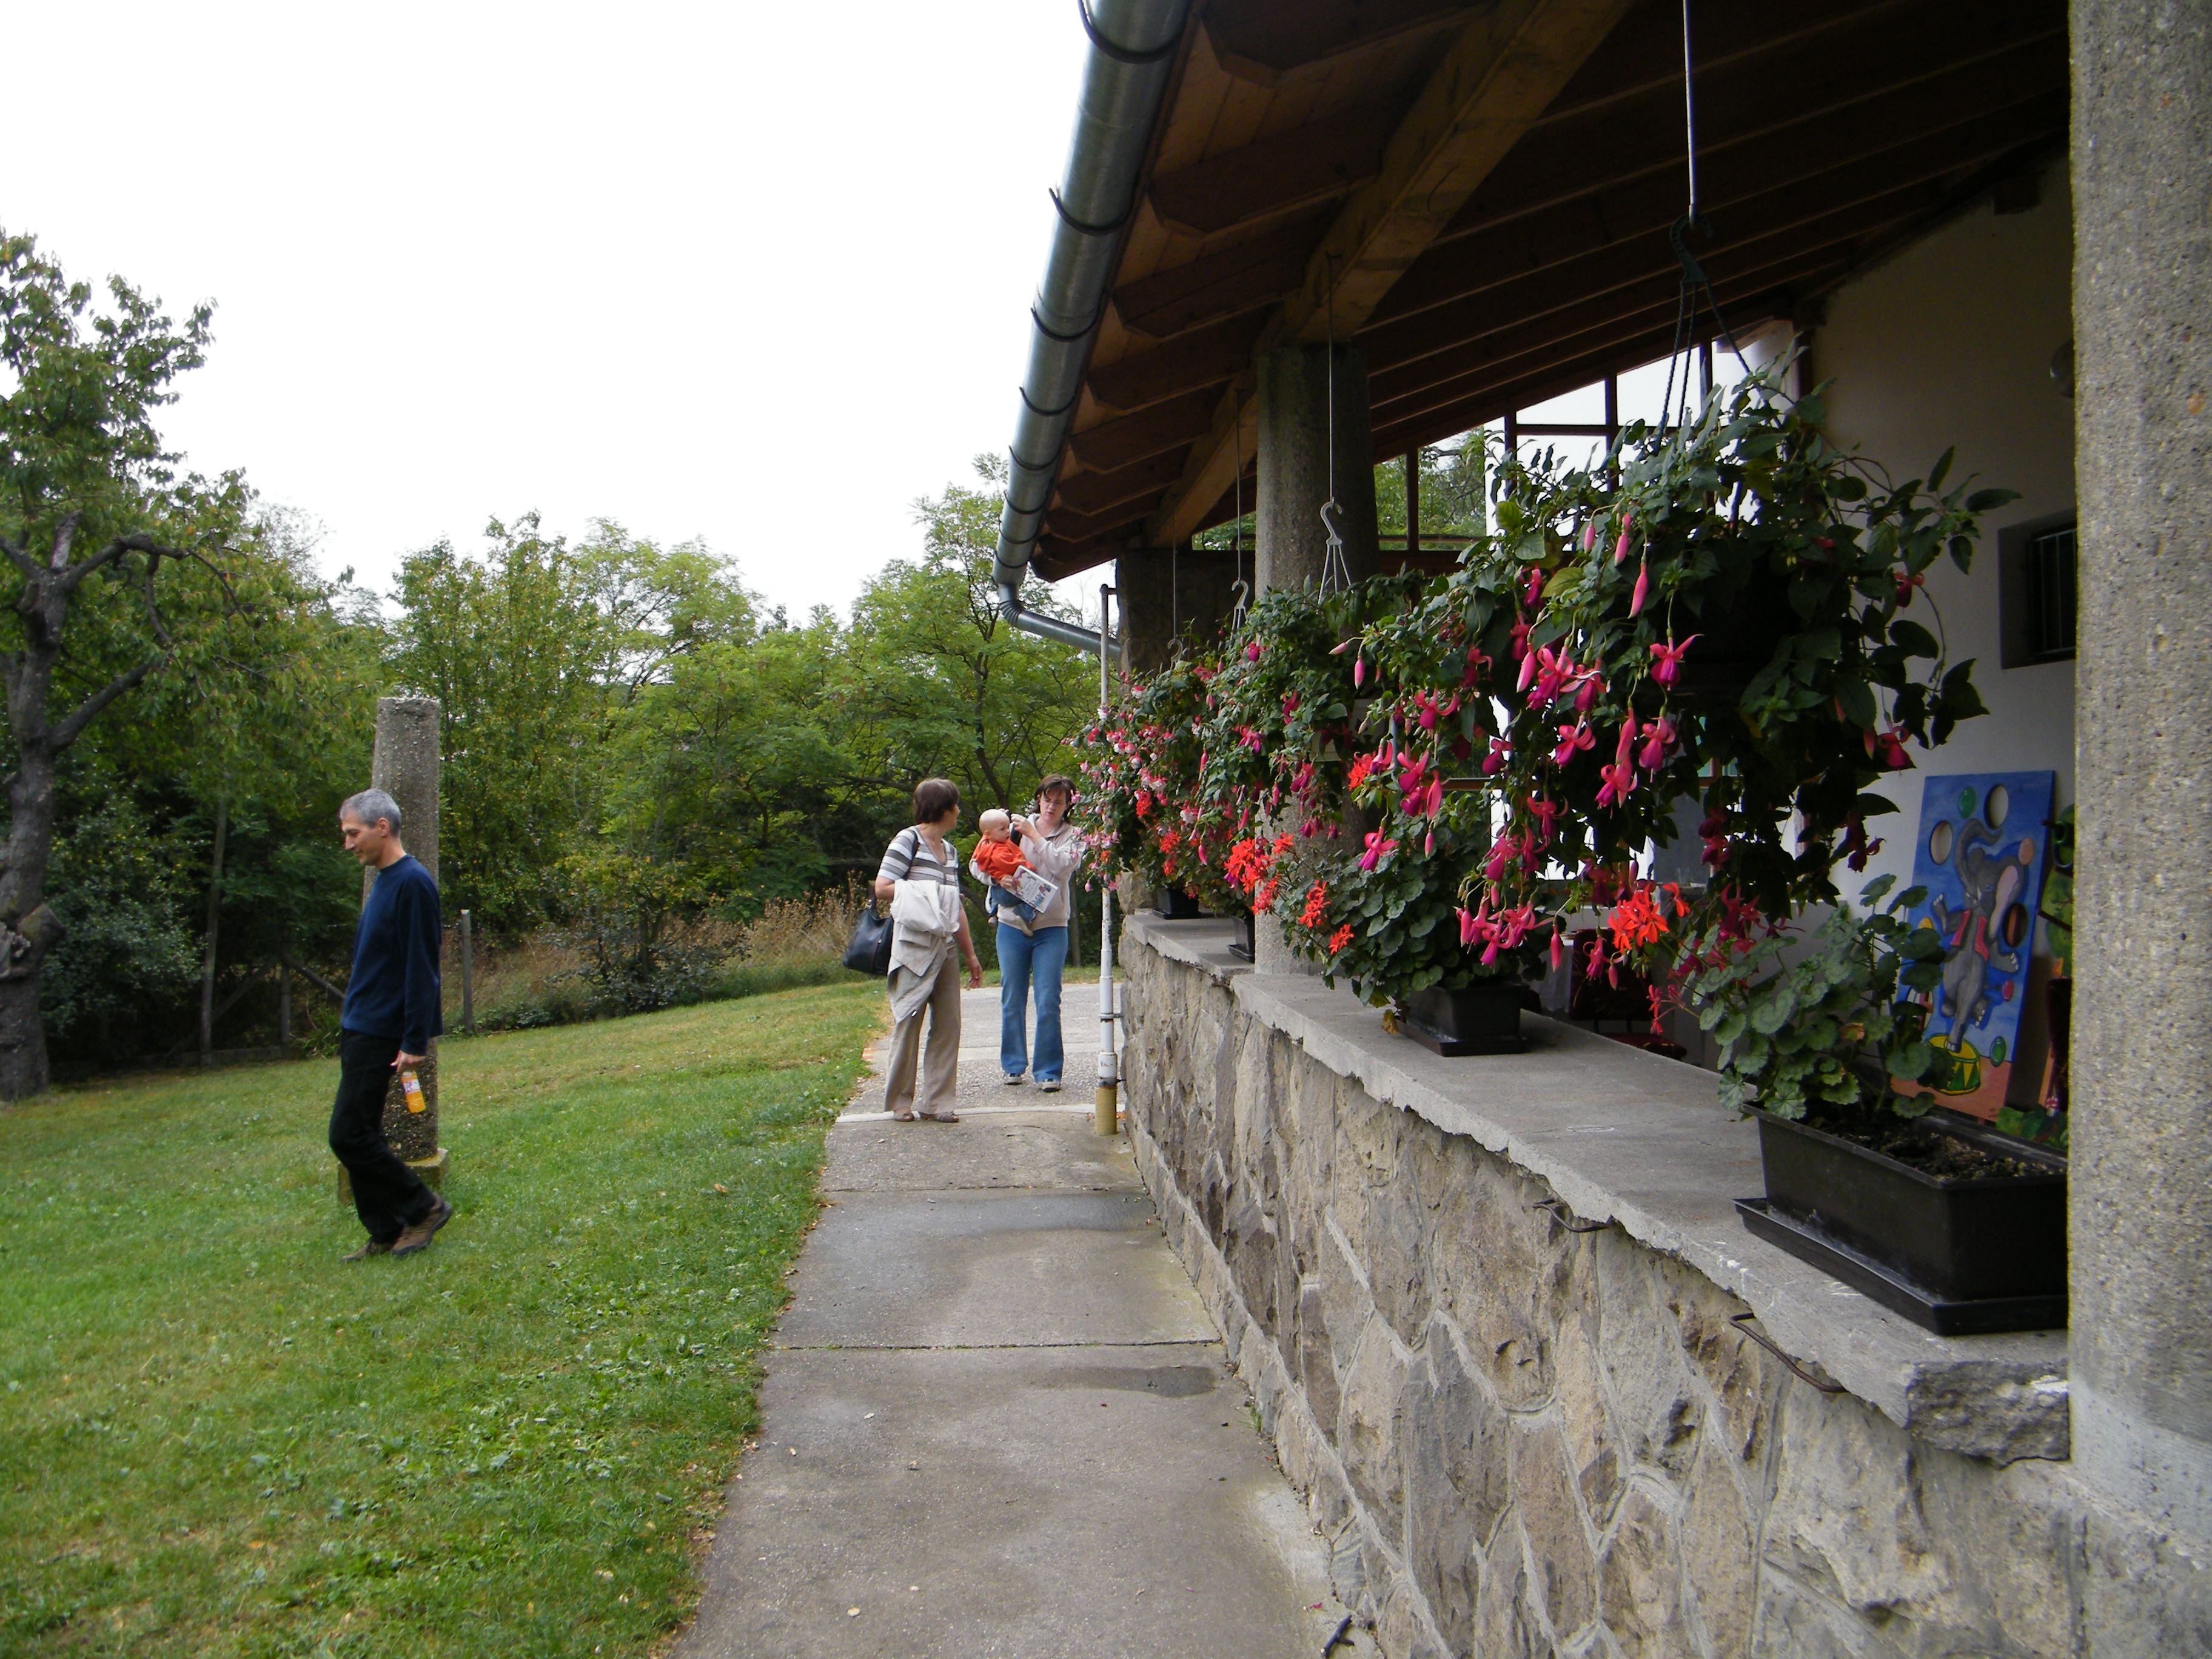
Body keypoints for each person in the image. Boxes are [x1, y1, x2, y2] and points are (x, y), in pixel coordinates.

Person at [332, 789, 453, 1261]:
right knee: (364, 1133)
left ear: (382, 827)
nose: (348, 844)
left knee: (348, 1135)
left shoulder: (413, 883)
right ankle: (384, 1230)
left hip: (381, 1028)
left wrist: (414, 1038)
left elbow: (422, 968)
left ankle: (424, 1208)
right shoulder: (384, 880)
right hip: (359, 1023)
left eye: (353, 833)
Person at [874, 778, 985, 1122]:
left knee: (949, 1024)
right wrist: (929, 893)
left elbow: (955, 906)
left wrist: (970, 956)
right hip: (913, 945)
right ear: (943, 808)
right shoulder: (907, 840)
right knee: (909, 1020)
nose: (959, 811)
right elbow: (883, 888)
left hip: (945, 946)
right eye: (955, 805)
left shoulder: (950, 851)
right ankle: (900, 1101)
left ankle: (937, 1102)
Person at [976, 774, 1084, 1092]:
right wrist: (997, 880)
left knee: (1048, 998)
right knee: (1012, 996)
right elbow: (977, 864)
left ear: (1068, 806)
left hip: (1052, 927)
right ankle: (1013, 1065)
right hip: (1012, 925)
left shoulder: (1073, 835)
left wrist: (1034, 835)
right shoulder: (1009, 827)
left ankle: (1048, 1071)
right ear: (1039, 799)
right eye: (1047, 800)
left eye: (1060, 802)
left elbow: (1063, 866)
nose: (1052, 807)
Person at [973, 808, 1045, 926]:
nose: (1008, 831)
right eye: (1003, 829)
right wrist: (1029, 868)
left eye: (1007, 827)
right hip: (1008, 892)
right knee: (1037, 892)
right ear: (988, 834)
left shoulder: (985, 845)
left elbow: (978, 862)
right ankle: (1025, 914)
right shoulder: (999, 850)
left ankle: (993, 911)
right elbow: (1011, 866)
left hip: (996, 893)